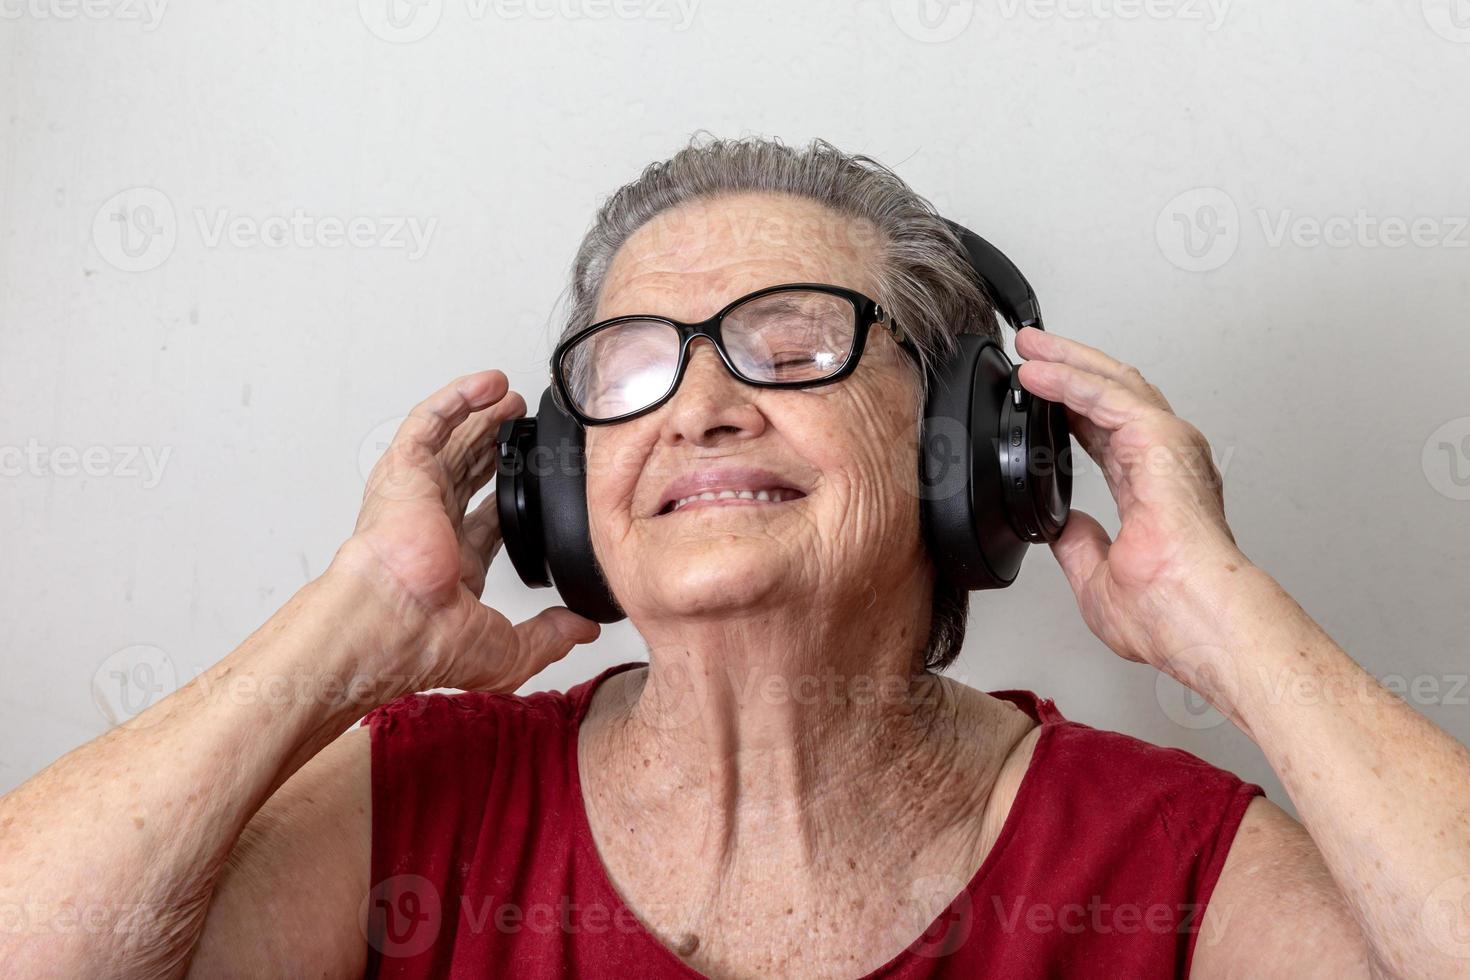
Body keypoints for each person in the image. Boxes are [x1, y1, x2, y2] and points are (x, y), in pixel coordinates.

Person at [4, 136, 1467, 978]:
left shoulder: (1162, 865)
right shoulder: (411, 807)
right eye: (631, 365)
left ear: (965, 456)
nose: (701, 404)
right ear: (563, 493)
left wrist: (1222, 619)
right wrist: (349, 626)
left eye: (791, 346)